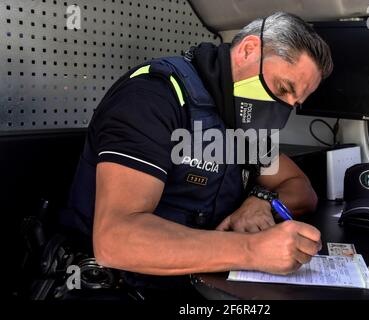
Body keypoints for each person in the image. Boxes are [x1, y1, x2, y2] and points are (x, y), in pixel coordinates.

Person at [61, 11, 333, 297]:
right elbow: (116, 239)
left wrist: (262, 200)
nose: (283, 109)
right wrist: (253, 250)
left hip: (197, 283)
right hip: (120, 286)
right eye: (282, 88)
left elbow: (301, 190)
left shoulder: (242, 122)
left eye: (294, 103)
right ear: (249, 51)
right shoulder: (154, 97)